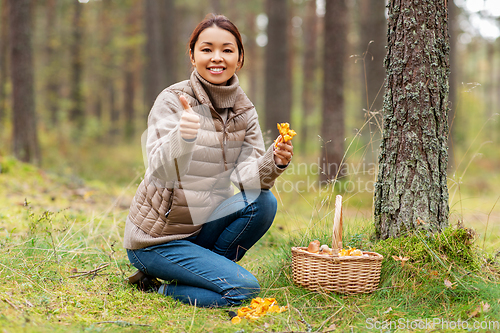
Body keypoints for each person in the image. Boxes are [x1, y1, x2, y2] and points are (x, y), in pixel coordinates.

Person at [124, 14, 294, 308]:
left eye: (227, 50)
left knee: (264, 202)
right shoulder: (173, 99)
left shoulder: (244, 111)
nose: (217, 58)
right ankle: (156, 288)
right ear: (192, 56)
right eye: (207, 49)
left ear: (240, 59)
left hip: (199, 229)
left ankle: (202, 275)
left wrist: (274, 161)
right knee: (245, 290)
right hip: (156, 240)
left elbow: (248, 182)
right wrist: (183, 137)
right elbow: (160, 170)